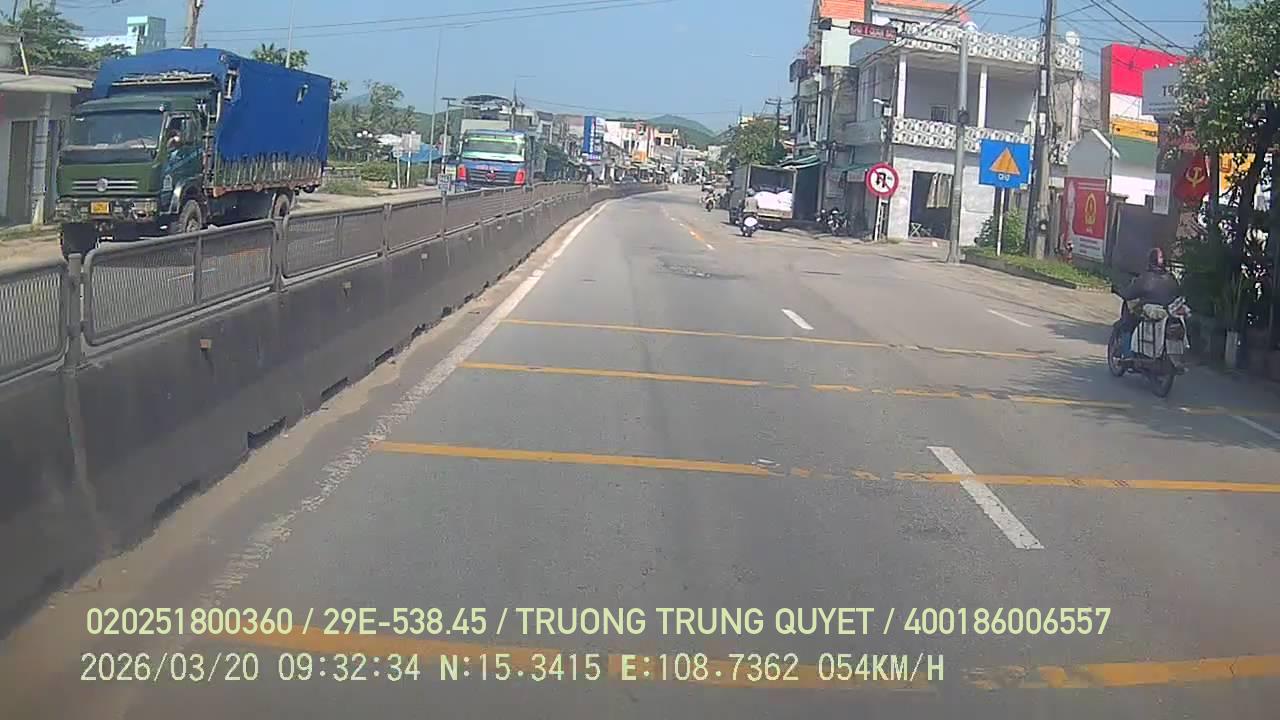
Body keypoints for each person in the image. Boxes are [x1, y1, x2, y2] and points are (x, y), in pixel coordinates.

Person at [1114, 247, 1182, 355]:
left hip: (1151, 312)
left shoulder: (1145, 278)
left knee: (1128, 323)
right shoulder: (1171, 277)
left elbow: (1129, 294)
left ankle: (1128, 353)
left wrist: (1118, 290)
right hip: (1168, 312)